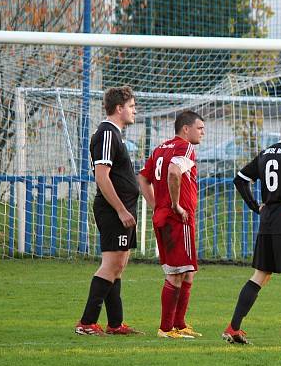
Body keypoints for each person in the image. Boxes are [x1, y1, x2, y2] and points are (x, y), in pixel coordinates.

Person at [222, 112, 281, 346]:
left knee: (260, 275)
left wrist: (256, 207)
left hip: (268, 222)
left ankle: (233, 327)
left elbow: (240, 179)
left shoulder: (266, 154)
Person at [75, 86, 143, 336]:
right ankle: (86, 323)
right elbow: (102, 177)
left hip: (122, 209)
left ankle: (115, 323)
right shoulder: (106, 134)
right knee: (111, 264)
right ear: (119, 108)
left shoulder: (116, 135)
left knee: (119, 264)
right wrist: (121, 210)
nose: (135, 111)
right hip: (113, 210)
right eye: (132, 106)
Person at [137, 111, 206, 339]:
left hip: (164, 216)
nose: (203, 132)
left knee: (187, 272)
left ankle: (179, 323)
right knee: (176, 273)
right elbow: (174, 172)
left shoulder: (160, 148)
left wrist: (157, 205)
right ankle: (166, 328)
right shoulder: (185, 148)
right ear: (185, 129)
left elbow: (143, 178)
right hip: (178, 219)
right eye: (200, 128)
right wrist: (175, 205)